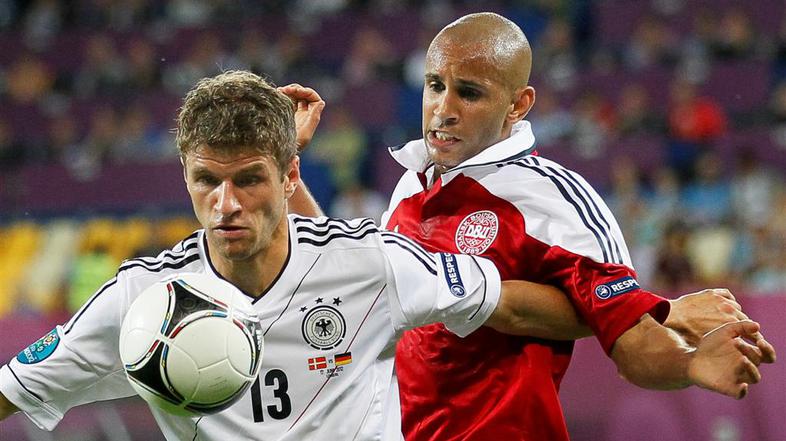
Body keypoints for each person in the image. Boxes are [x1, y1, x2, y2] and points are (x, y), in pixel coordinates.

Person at [5, 70, 760, 440]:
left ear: (291, 173)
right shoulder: (139, 301)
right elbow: (10, 389)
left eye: (250, 179)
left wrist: (651, 311)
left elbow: (510, 297)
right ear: (184, 179)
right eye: (208, 180)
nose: (227, 203)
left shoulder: (374, 262)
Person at [287, 12, 776, 441]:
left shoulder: (554, 204)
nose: (444, 108)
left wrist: (689, 362)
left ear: (518, 105)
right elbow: (356, 272)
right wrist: (286, 169)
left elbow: (632, 342)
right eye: (435, 85)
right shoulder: (411, 188)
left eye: (470, 92)